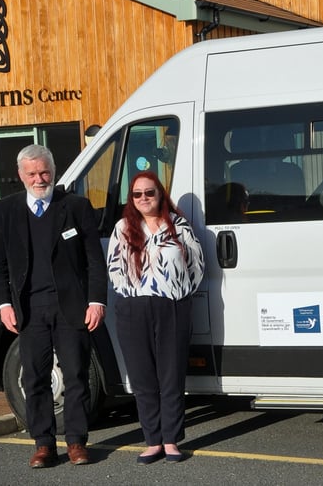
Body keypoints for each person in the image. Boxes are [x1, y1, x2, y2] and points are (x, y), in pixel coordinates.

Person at [0, 144, 107, 468]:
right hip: (29, 309)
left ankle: (76, 442)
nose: (39, 179)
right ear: (20, 176)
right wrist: (3, 305)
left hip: (71, 307)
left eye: (44, 172)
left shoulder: (76, 207)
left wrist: (96, 301)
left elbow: (95, 262)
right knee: (35, 379)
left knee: (76, 376)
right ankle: (43, 444)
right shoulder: (6, 211)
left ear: (53, 171)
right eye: (32, 173)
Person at [107, 171, 204, 464]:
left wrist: (179, 294)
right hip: (134, 309)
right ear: (131, 199)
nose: (144, 199)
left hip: (172, 307)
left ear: (160, 195)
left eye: (149, 193)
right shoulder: (123, 228)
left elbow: (197, 267)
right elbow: (114, 269)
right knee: (143, 377)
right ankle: (152, 441)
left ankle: (172, 440)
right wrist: (135, 295)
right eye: (137, 194)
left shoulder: (179, 227)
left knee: (171, 376)